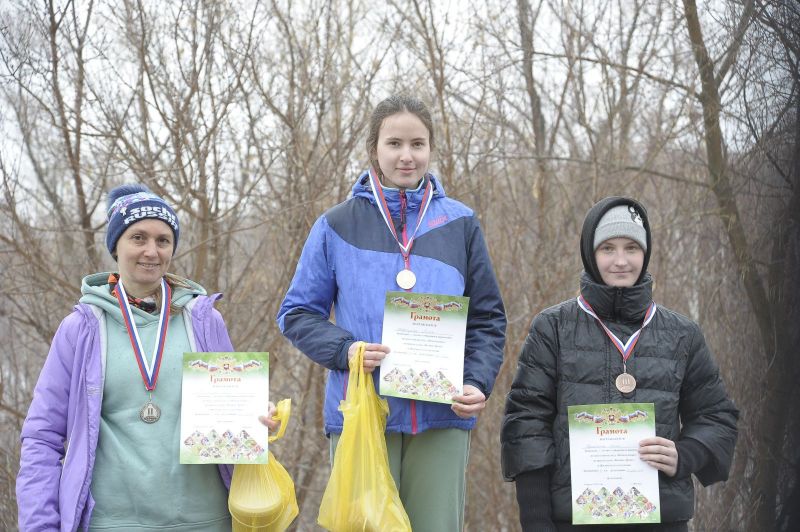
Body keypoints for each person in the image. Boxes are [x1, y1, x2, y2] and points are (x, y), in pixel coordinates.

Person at [277, 95, 506, 531]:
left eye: (418, 144)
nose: (407, 155)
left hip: (442, 416)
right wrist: (346, 350)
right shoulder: (336, 224)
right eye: (394, 143)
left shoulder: (460, 223)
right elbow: (296, 313)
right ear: (374, 149)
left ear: (431, 149)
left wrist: (477, 381)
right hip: (362, 414)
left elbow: (487, 318)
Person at [16, 184, 278, 531]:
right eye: (138, 238)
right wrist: (39, 525)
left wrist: (255, 420)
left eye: (163, 240)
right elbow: (42, 437)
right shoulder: (82, 329)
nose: (151, 251)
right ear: (116, 245)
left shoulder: (203, 321)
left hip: (207, 520)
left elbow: (230, 421)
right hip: (112, 523)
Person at [501, 196, 739, 532]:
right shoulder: (552, 327)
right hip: (572, 521)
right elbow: (527, 424)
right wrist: (536, 520)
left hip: (661, 520)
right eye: (607, 248)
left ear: (646, 252)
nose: (621, 261)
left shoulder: (682, 334)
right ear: (590, 253)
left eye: (632, 248)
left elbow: (717, 416)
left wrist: (685, 455)